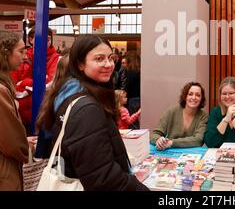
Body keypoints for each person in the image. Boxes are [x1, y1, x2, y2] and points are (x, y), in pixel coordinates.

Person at [35, 34, 149, 191]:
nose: (108, 64)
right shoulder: (86, 108)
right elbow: (103, 178)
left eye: (110, 58)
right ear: (80, 64)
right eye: (99, 59)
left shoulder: (69, 94)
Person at [0, 31, 30, 190]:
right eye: (21, 51)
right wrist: (26, 146)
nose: (25, 56)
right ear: (4, 53)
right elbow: (13, 144)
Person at [11, 27, 59, 134]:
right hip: (21, 111)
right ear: (31, 40)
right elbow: (13, 82)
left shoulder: (55, 58)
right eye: (40, 39)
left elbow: (50, 82)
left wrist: (24, 82)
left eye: (47, 39)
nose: (45, 42)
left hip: (44, 110)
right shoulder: (23, 56)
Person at [151, 82, 208, 150]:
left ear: (201, 99)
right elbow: (155, 134)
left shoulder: (203, 116)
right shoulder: (172, 111)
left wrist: (171, 143)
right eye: (190, 94)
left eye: (198, 95)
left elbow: (198, 140)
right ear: (185, 96)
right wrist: (158, 140)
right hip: (169, 152)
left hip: (192, 155)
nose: (193, 97)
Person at [125, 50, 141, 129]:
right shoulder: (141, 71)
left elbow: (127, 87)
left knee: (133, 123)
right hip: (140, 98)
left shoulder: (129, 73)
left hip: (132, 100)